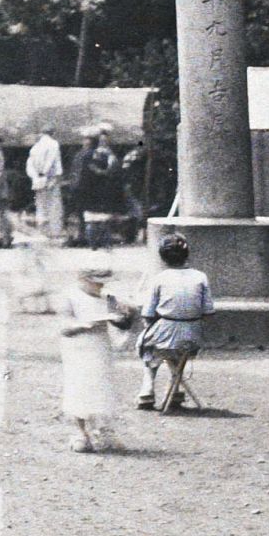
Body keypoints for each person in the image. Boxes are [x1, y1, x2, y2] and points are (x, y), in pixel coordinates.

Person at [58, 261, 132, 451]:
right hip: (78, 348)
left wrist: (124, 316)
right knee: (79, 389)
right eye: (96, 282)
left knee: (102, 387)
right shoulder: (70, 296)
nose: (100, 286)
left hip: (101, 347)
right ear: (82, 279)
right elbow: (64, 327)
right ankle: (80, 432)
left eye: (103, 283)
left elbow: (123, 323)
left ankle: (104, 428)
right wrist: (84, 325)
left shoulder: (108, 298)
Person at [137, 232, 214, 411]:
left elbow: (147, 313)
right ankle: (175, 388)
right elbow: (209, 312)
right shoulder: (200, 277)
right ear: (187, 254)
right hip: (193, 336)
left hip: (166, 333)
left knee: (146, 344)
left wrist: (153, 324)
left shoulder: (160, 278)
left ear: (163, 258)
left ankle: (147, 388)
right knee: (180, 347)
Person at [73, 131, 120, 251]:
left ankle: (89, 241)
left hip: (84, 189)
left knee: (88, 217)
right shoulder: (102, 155)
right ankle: (100, 241)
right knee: (99, 217)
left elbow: (79, 173)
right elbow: (109, 170)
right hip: (95, 190)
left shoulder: (82, 155)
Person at [26, 129, 66, 243]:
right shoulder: (53, 144)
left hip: (38, 179)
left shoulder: (35, 147)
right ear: (52, 133)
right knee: (54, 205)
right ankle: (54, 232)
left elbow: (29, 165)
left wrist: (35, 177)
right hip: (50, 178)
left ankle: (42, 230)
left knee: (40, 205)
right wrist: (51, 174)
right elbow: (54, 161)